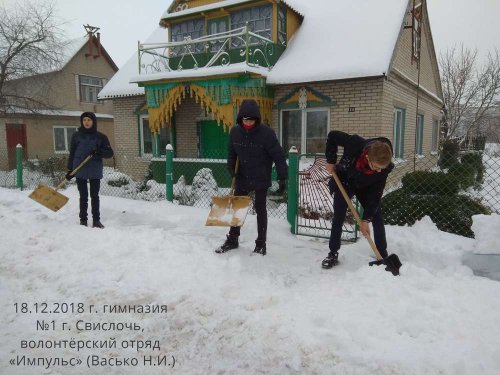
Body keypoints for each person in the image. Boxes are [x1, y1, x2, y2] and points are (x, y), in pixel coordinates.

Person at [216, 99, 288, 256]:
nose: (248, 123)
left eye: (251, 120)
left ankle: (261, 243)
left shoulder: (267, 134)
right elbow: (231, 153)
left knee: (260, 208)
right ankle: (233, 239)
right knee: (238, 207)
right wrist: (231, 168)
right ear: (241, 118)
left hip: (261, 176)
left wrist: (283, 175)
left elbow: (278, 155)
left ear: (257, 119)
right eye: (245, 119)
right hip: (242, 176)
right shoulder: (235, 132)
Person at [322, 130, 394, 268]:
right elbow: (332, 136)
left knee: (376, 216)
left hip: (367, 187)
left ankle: (382, 253)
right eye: (376, 167)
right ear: (367, 157)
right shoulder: (355, 144)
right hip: (345, 181)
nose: (379, 171)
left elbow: (376, 194)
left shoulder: (384, 168)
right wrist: (331, 161)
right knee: (339, 216)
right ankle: (333, 253)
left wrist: (366, 219)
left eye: (382, 169)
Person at [66, 112, 114, 228]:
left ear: (93, 121)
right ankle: (83, 220)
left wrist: (98, 152)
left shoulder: (101, 137)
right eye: (84, 120)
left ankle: (96, 220)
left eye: (89, 120)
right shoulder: (76, 136)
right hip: (79, 168)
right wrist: (70, 169)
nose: (86, 122)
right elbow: (72, 153)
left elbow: (110, 153)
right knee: (83, 196)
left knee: (94, 195)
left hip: (94, 169)